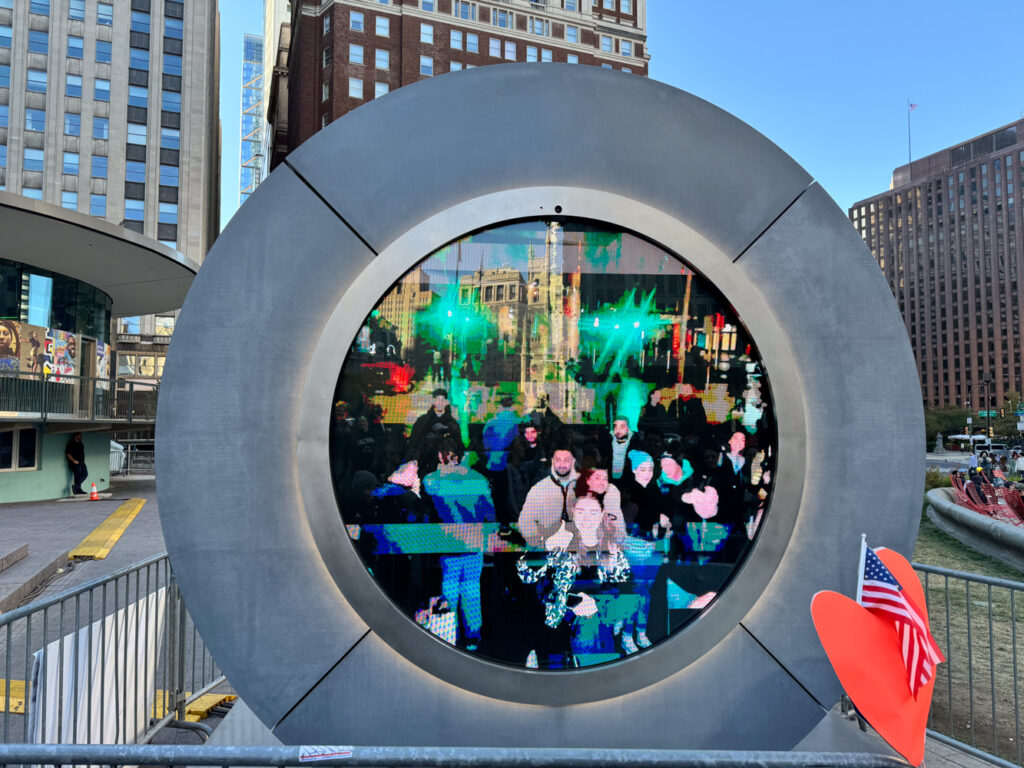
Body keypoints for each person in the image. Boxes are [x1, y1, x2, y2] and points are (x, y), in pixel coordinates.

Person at [516, 495, 633, 665]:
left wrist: (596, 604)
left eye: (593, 512)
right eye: (580, 511)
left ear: (601, 515)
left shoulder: (610, 547)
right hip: (557, 626)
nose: (587, 518)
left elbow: (625, 593)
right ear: (572, 513)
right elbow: (526, 575)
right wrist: (546, 548)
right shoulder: (559, 539)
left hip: (598, 628)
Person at [422, 440, 496, 650]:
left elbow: (428, 495)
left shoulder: (432, 480)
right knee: (472, 590)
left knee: (450, 590)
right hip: (474, 543)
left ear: (441, 456)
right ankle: (473, 637)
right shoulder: (478, 479)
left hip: (450, 544)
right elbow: (489, 513)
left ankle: (448, 635)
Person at [518, 443, 581, 549]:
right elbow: (525, 522)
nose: (562, 464)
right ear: (552, 461)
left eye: (566, 460)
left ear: (573, 461)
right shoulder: (539, 489)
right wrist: (541, 542)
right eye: (558, 460)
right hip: (548, 550)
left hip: (579, 549)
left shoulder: (586, 485)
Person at [482, 396, 521, 537]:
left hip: (493, 465)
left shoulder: (491, 423)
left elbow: (485, 446)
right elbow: (516, 445)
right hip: (505, 466)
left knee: (497, 497)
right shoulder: (513, 422)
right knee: (506, 497)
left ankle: (500, 525)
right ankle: (505, 525)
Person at [597, 416, 644, 488]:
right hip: (609, 480)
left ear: (628, 427)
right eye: (615, 426)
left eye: (622, 426)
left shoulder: (636, 440)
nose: (618, 430)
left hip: (629, 482)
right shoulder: (607, 439)